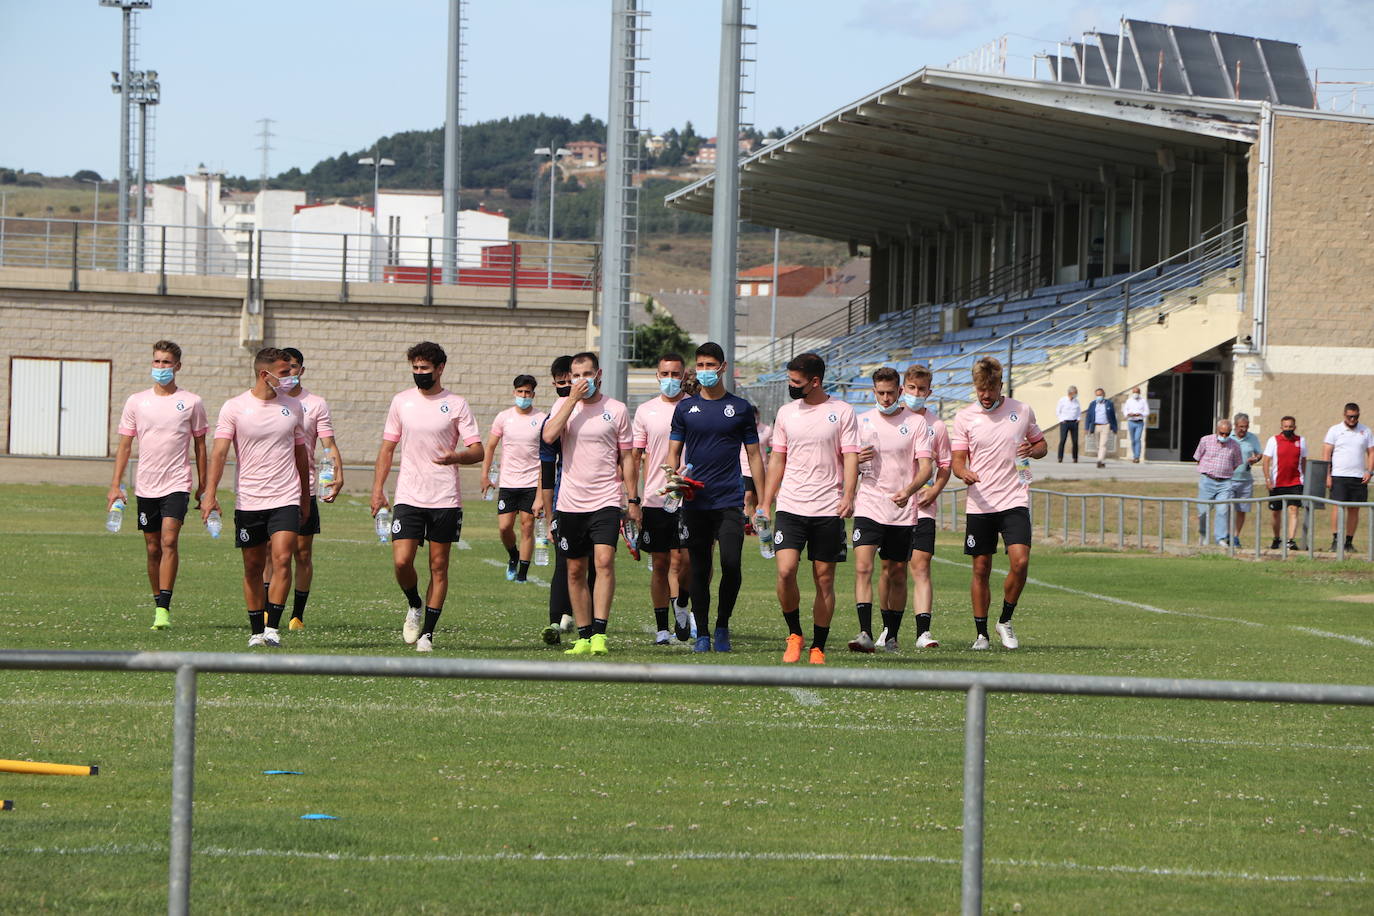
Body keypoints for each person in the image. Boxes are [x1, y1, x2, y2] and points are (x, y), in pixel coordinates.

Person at [370, 342, 483, 653]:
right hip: (408, 495)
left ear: (440, 369)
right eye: (415, 368)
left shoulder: (457, 404)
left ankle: (428, 635)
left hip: (445, 498)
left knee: (438, 566)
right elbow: (387, 449)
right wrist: (378, 489)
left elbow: (478, 450)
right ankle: (414, 603)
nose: (419, 374)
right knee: (402, 561)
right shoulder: (401, 402)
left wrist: (456, 457)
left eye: (425, 369)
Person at [201, 347, 311, 648]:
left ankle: (273, 628)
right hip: (249, 500)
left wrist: (303, 497)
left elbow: (301, 454)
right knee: (251, 566)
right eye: (285, 372)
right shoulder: (234, 407)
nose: (291, 377)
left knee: (283, 558)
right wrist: (209, 494)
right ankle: (255, 631)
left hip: (285, 496)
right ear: (265, 374)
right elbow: (220, 453)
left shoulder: (294, 407)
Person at [759, 352, 858, 665]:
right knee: (786, 571)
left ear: (815, 382)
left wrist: (849, 494)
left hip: (828, 507)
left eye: (796, 382)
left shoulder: (842, 412)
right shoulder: (787, 413)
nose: (791, 386)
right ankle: (794, 634)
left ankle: (818, 646)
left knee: (824, 580)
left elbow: (852, 456)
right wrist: (765, 501)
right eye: (790, 380)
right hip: (790, 506)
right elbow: (777, 459)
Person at [666, 342, 766, 652]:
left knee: (732, 564)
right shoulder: (685, 408)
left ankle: (723, 625)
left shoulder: (740, 408)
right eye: (701, 366)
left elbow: (754, 455)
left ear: (722, 367)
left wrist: (761, 501)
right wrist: (673, 479)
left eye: (711, 365)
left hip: (730, 500)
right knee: (698, 567)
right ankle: (704, 633)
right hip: (696, 501)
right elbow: (673, 452)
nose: (706, 371)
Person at [108, 340, 208, 631]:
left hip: (177, 482)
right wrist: (116, 485)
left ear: (178, 366)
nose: (161, 367)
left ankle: (163, 609)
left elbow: (200, 445)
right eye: (157, 362)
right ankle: (157, 602)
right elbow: (125, 446)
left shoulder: (191, 402)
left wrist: (204, 485)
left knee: (168, 541)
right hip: (146, 485)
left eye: (166, 362)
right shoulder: (136, 402)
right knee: (153, 548)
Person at [541, 351, 636, 657]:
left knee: (605, 562)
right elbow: (548, 437)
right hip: (570, 502)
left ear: (599, 374)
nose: (583, 381)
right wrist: (570, 401)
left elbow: (627, 457)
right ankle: (582, 635)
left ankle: (599, 633)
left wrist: (633, 499)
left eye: (587, 374)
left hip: (606, 499)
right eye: (576, 375)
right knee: (574, 571)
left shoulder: (617, 409)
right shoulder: (563, 405)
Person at [950, 356, 1046, 650]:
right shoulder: (965, 417)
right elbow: (957, 460)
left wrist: (1034, 448)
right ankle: (981, 634)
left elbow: (1041, 445)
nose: (986, 395)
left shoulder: (1021, 410)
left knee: (1021, 561)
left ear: (1000, 385)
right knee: (981, 568)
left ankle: (1005, 620)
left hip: (1015, 497)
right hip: (980, 502)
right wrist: (963, 472)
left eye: (990, 388)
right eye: (981, 389)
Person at [847, 367, 933, 654]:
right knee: (863, 567)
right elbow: (849, 466)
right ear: (873, 392)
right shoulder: (862, 422)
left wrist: (908, 492)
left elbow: (926, 467)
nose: (885, 398)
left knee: (896, 573)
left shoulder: (917, 424)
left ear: (900, 391)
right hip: (869, 504)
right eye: (880, 393)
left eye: (890, 393)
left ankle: (892, 635)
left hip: (901, 508)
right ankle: (864, 633)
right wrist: (857, 461)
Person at [267, 347, 344, 631]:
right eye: (284, 369)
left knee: (301, 552)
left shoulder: (316, 404)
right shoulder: (268, 402)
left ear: (302, 370)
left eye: (295, 367)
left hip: (303, 487)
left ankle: (297, 615)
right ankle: (267, 610)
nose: (290, 374)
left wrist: (338, 472)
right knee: (269, 552)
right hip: (269, 486)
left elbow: (329, 444)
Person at [631, 352, 692, 644]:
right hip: (656, 498)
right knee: (659, 563)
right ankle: (662, 628)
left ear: (684, 376)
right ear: (657, 375)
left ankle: (681, 604)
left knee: (683, 560)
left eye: (675, 374)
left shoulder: (694, 408)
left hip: (690, 496)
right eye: (665, 374)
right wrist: (634, 498)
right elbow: (636, 456)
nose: (670, 379)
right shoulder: (645, 411)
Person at [537, 355, 588, 644]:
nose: (570, 387)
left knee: (592, 562)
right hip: (565, 500)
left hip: (598, 500)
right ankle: (555, 623)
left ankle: (587, 623)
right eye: (563, 383)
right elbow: (546, 467)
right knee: (563, 561)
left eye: (573, 381)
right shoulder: (555, 418)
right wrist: (547, 511)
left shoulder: (603, 411)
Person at [901, 364, 952, 651]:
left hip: (922, 507)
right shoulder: (893, 421)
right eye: (912, 388)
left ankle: (923, 631)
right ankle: (888, 629)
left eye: (921, 390)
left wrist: (934, 489)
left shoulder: (938, 426)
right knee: (892, 567)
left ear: (929, 392)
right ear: (903, 389)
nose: (916, 394)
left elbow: (944, 466)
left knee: (920, 566)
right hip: (892, 508)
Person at [482, 374, 547, 584]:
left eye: (527, 392)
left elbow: (546, 454)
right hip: (508, 482)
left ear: (533, 394)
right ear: (514, 392)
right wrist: (485, 475)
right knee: (504, 527)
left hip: (531, 482)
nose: (523, 396)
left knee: (527, 526)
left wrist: (542, 487)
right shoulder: (504, 417)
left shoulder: (542, 419)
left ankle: (523, 573)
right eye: (520, 392)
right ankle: (513, 555)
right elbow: (490, 446)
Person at [1322, 402, 1374, 552]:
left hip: (1358, 477)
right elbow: (1326, 453)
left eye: (1356, 416)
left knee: (1354, 509)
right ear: (1344, 415)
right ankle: (1336, 540)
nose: (1353, 419)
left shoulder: (1366, 431)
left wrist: (1369, 471)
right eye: (1350, 416)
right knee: (1337, 508)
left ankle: (1349, 542)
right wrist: (1327, 475)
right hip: (1339, 475)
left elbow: (1371, 452)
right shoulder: (1335, 430)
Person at [1193, 418, 1243, 546]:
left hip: (1225, 483)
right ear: (1217, 431)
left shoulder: (1235, 445)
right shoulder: (1205, 440)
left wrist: (1224, 472)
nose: (1224, 436)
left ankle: (1220, 538)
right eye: (1222, 433)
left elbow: (1236, 463)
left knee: (1222, 510)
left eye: (1227, 434)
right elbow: (1198, 457)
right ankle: (1203, 535)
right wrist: (1208, 470)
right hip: (1207, 480)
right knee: (1203, 511)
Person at [1261, 415, 1307, 551]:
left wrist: (1305, 478)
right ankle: (1276, 538)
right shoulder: (1273, 440)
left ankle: (1290, 540)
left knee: (1293, 510)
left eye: (1290, 427)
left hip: (1295, 482)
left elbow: (1303, 460)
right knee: (1276, 512)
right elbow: (1266, 461)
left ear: (1295, 427)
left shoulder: (1301, 441)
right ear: (1281, 428)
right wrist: (1268, 479)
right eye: (1285, 427)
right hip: (1277, 482)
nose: (1288, 429)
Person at [1227, 412, 1263, 546]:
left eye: (1246, 427)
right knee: (1227, 508)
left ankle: (1236, 537)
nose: (1244, 429)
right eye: (1241, 427)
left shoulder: (1252, 438)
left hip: (1245, 479)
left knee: (1242, 510)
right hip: (1229, 479)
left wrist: (1256, 459)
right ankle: (1227, 535)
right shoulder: (1228, 437)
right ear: (1235, 425)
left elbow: (1259, 453)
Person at [742, 416, 772, 526]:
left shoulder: (767, 430)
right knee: (748, 496)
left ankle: (757, 523)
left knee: (756, 498)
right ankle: (747, 522)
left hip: (761, 468)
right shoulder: (743, 427)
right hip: (745, 468)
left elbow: (771, 447)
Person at [1084, 388, 1118, 469]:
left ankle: (1100, 460)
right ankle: (1100, 459)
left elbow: (1113, 416)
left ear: (1104, 395)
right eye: (1097, 395)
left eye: (1100, 395)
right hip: (1095, 426)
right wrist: (1086, 428)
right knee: (1098, 445)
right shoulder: (1092, 404)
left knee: (1103, 444)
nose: (1099, 396)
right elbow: (1088, 416)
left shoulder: (1109, 403)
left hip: (1106, 426)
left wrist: (1114, 428)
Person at [1123, 386, 1149, 463]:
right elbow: (1125, 411)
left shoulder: (1143, 401)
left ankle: (1137, 457)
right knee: (1133, 440)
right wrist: (1129, 414)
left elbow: (1147, 412)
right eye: (1134, 392)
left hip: (1139, 422)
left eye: (1137, 392)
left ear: (1139, 393)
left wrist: (1140, 414)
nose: (1135, 393)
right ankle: (1135, 455)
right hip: (1131, 421)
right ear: (1132, 393)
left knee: (1137, 439)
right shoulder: (1129, 401)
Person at [1055, 386, 1081, 463]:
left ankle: (1075, 458)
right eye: (1075, 393)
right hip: (1065, 423)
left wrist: (1078, 419)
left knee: (1075, 441)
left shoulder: (1076, 401)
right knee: (1063, 440)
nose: (1076, 394)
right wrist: (1061, 420)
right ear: (1071, 393)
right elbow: (1058, 411)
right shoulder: (1062, 400)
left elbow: (1079, 411)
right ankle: (1060, 457)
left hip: (1074, 422)